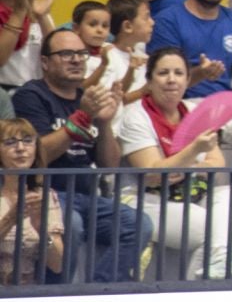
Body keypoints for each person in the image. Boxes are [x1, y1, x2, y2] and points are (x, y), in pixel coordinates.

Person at [14, 27, 152, 282]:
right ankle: (56, 295)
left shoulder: (85, 98)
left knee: (138, 223)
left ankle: (100, 291)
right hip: (47, 195)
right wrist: (82, 118)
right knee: (71, 224)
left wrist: (104, 124)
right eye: (66, 54)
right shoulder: (31, 95)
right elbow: (37, 153)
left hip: (87, 195)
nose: (77, 60)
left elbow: (109, 164)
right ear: (44, 62)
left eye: (81, 53)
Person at [111, 45, 232, 279]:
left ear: (187, 80)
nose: (171, 80)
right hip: (143, 199)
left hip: (190, 195)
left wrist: (180, 166)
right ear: (149, 80)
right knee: (211, 228)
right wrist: (194, 150)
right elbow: (154, 175)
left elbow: (217, 165)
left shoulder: (194, 110)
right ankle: (196, 286)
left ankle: (217, 265)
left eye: (178, 73)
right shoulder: (136, 115)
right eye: (163, 73)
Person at [0, 113, 63, 283]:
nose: (21, 148)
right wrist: (9, 219)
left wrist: (42, 229)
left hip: (28, 293)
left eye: (28, 141)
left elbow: (57, 265)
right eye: (10, 142)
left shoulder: (45, 196)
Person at [0, 0, 53, 92]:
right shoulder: (19, 11)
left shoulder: (37, 8)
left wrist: (42, 18)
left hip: (36, 95)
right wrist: (19, 11)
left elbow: (57, 57)